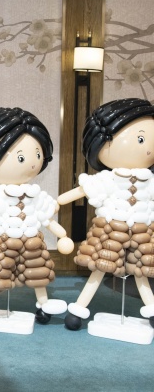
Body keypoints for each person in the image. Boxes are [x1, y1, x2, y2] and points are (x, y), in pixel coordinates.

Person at [0, 107, 73, 337]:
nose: (32, 164)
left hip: (31, 240)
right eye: (21, 157)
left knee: (37, 270)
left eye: (38, 155)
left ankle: (43, 303)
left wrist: (61, 234)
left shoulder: (35, 195)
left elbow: (45, 217)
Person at [58, 98, 154, 330]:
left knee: (141, 271)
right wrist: (58, 201)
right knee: (101, 268)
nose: (148, 147)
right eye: (141, 139)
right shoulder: (107, 179)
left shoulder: (149, 181)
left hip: (143, 231)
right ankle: (80, 307)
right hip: (110, 230)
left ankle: (151, 307)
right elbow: (82, 190)